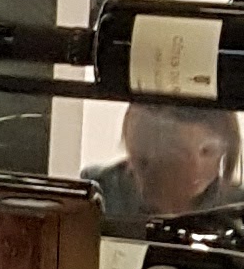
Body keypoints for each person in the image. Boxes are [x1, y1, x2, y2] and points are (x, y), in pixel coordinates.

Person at [91, 100, 244, 238]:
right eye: (178, 151)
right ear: (148, 150)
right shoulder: (101, 194)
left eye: (208, 151)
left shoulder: (238, 208)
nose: (195, 167)